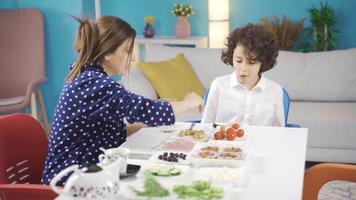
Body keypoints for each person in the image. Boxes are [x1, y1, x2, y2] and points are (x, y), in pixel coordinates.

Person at [41, 16, 204, 185]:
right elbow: (145, 108)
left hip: (87, 170)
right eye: (127, 50)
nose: (131, 57)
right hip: (69, 180)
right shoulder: (94, 83)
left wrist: (145, 123)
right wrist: (188, 102)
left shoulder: (88, 75)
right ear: (107, 53)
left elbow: (109, 132)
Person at [201, 24, 284, 126]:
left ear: (263, 62)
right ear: (232, 57)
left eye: (251, 63)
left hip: (260, 142)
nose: (243, 68)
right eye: (238, 61)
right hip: (223, 141)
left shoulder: (275, 90)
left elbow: (279, 132)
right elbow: (205, 126)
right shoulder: (219, 85)